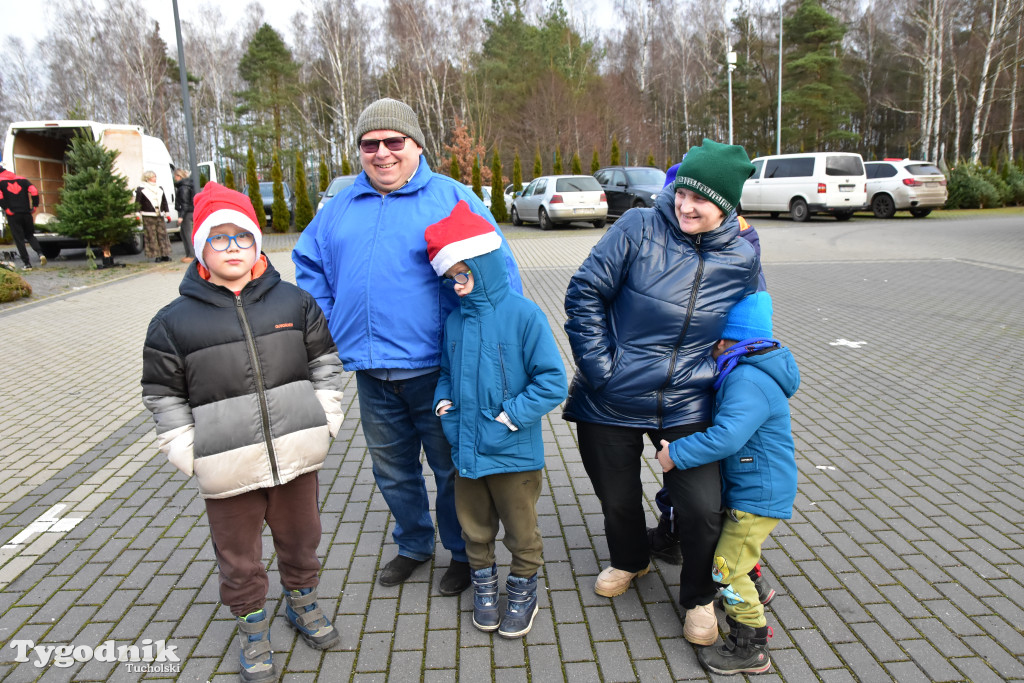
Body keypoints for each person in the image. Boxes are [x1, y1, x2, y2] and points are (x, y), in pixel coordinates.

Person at [292, 98, 522, 596]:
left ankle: (464, 554)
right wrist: (330, 322)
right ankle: (415, 544)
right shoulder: (339, 209)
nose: (382, 153)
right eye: (369, 144)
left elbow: (498, 274)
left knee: (450, 468)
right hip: (371, 372)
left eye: (394, 141)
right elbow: (308, 264)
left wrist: (501, 354)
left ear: (417, 145)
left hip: (439, 370)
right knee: (393, 471)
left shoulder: (451, 198)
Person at [142, 183, 346, 682]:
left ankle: (301, 604)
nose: (232, 248)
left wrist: (325, 423)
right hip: (225, 466)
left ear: (257, 244)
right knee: (238, 558)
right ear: (200, 249)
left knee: (302, 540)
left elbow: (327, 366)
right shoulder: (172, 323)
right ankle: (253, 628)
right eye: (219, 238)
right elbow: (163, 395)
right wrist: (188, 452)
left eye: (242, 237)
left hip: (297, 455)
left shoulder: (295, 303)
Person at [563, 138, 758, 646]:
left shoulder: (742, 256)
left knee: (701, 505)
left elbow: (749, 335)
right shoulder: (637, 227)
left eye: (702, 199)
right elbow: (585, 292)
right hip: (610, 395)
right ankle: (631, 561)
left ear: (728, 203)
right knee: (618, 498)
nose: (686, 206)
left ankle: (697, 596)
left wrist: (748, 395)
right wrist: (600, 368)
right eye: (682, 194)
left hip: (689, 398)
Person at [425, 201, 567, 638]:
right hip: (466, 449)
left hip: (513, 452)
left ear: (484, 266)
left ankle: (523, 588)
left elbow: (553, 381)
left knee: (522, 531)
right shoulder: (454, 322)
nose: (458, 286)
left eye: (463, 275)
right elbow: (446, 373)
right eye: (451, 279)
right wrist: (443, 408)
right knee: (474, 526)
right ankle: (484, 586)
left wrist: (509, 418)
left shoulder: (524, 315)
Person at [648, 161, 774, 605]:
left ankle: (745, 574)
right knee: (692, 476)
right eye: (675, 199)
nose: (679, 208)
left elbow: (751, 321)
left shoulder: (738, 248)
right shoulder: (685, 235)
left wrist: (730, 359)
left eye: (690, 200)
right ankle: (674, 530)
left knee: (711, 475)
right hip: (691, 375)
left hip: (709, 376)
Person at [656, 291, 799, 675]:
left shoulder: (747, 380)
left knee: (726, 569)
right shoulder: (752, 369)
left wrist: (676, 454)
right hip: (755, 488)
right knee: (735, 552)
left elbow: (727, 437)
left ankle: (749, 645)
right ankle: (757, 585)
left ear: (724, 341)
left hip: (758, 496)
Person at [0, 164, 44, 270]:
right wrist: (34, 206)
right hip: (26, 213)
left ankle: (27, 264)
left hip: (13, 214)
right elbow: (34, 191)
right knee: (30, 235)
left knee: (19, 239)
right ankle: (40, 254)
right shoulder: (22, 179)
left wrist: (6, 208)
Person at [135, 170, 172, 262]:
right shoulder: (141, 189)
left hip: (159, 214)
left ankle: (165, 254)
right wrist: (137, 214)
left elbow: (164, 202)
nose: (155, 178)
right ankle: (156, 255)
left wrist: (167, 213)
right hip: (148, 215)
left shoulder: (159, 188)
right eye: (153, 177)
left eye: (155, 177)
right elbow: (138, 203)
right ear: (148, 178)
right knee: (151, 236)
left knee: (162, 235)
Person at [174, 168, 196, 262]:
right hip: (188, 211)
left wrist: (181, 216)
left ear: (179, 176)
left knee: (187, 234)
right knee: (184, 234)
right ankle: (189, 254)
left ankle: (192, 255)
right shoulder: (186, 185)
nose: (174, 179)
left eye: (175, 176)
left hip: (186, 212)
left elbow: (185, 203)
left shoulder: (183, 187)